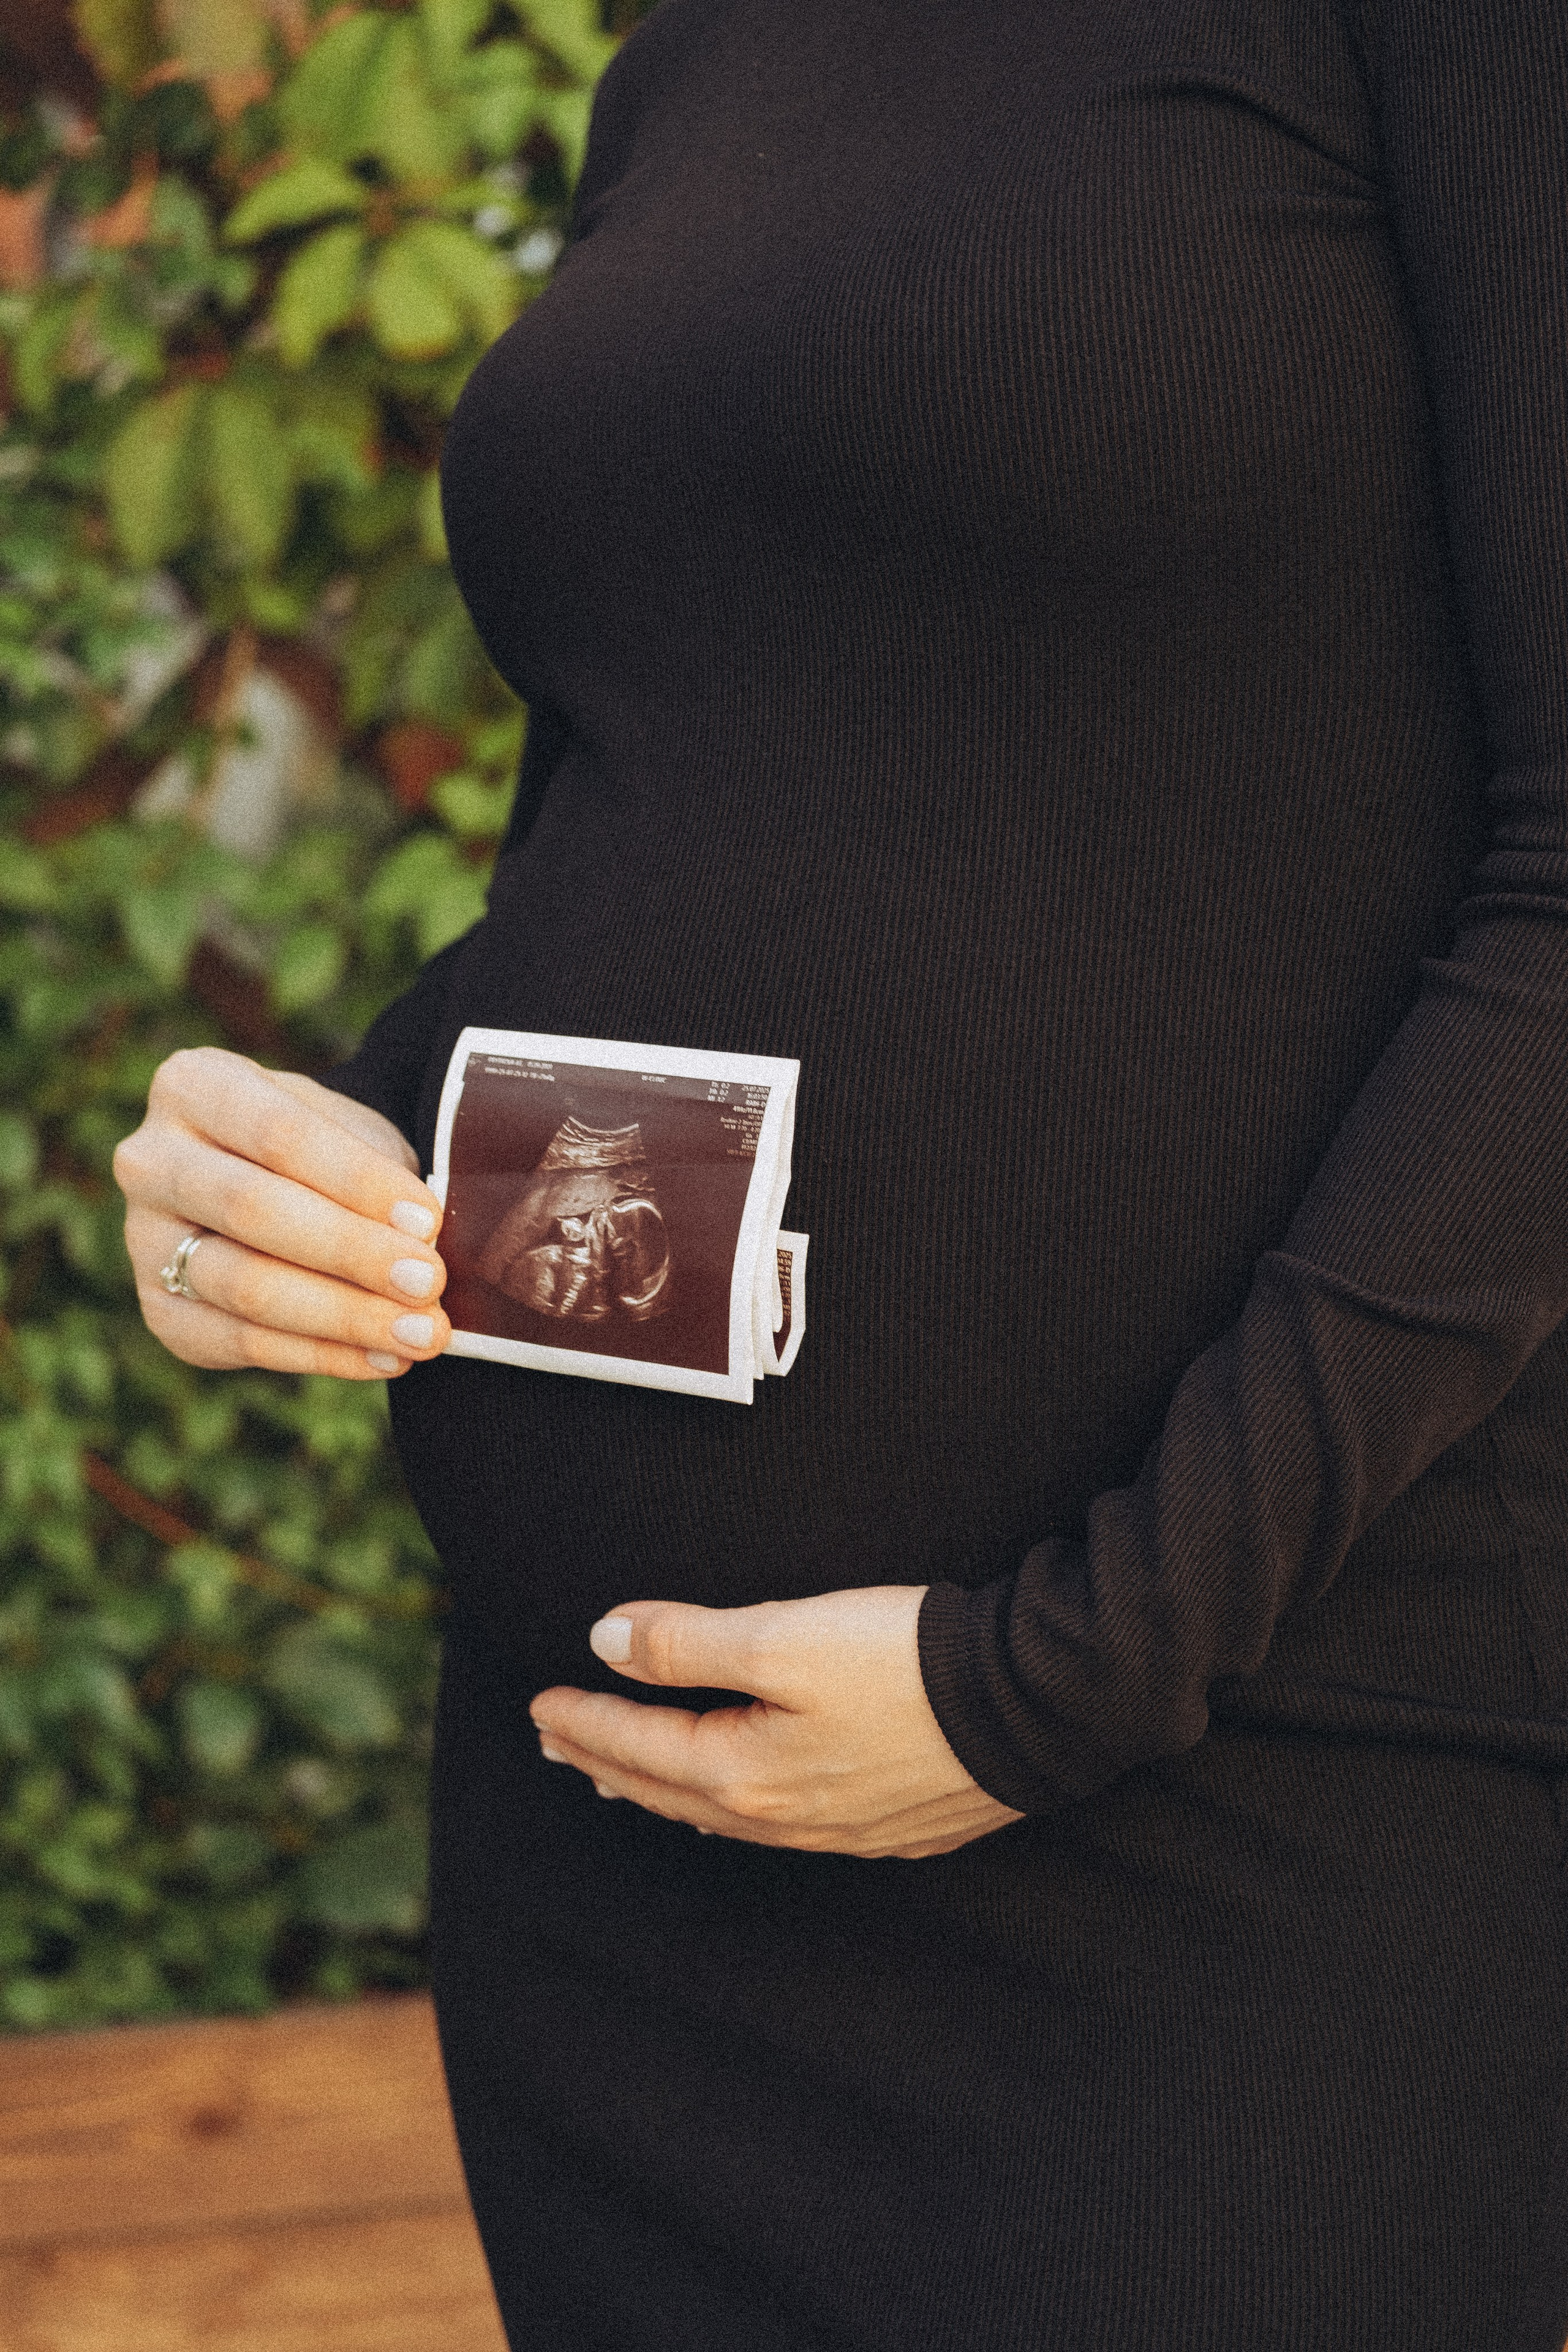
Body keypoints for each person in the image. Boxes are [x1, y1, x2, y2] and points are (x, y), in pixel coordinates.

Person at [113, 0, 1568, 2343]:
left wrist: (1061, 1678)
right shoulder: (700, 40)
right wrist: (332, 1150)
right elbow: (668, 805)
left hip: (1255, 1795)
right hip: (613, 1830)